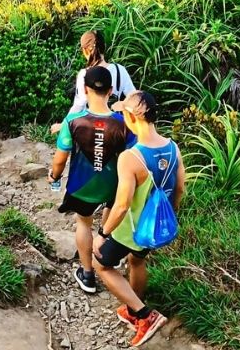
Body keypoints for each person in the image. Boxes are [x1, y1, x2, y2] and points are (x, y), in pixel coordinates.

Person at [93, 90, 186, 347]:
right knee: (136, 260)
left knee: (100, 264)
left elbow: (122, 205)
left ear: (132, 118)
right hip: (154, 226)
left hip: (132, 227)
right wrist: (170, 216)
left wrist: (101, 235)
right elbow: (179, 189)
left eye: (124, 113)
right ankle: (134, 309)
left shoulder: (130, 157)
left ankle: (145, 315)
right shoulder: (172, 147)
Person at [48, 66, 135, 294]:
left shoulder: (73, 121)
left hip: (82, 186)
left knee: (83, 223)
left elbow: (60, 159)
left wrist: (54, 176)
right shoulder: (123, 123)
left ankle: (87, 274)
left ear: (85, 89)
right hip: (113, 187)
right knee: (107, 218)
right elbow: (135, 156)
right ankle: (105, 256)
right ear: (112, 90)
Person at [54, 30, 136, 133]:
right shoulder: (120, 70)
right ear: (103, 47)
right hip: (114, 128)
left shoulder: (84, 74)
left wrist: (63, 125)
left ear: (85, 50)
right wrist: (123, 105)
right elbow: (134, 97)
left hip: (90, 130)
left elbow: (79, 106)